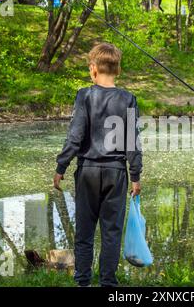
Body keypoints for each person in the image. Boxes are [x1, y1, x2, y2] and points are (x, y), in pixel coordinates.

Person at [53, 42, 143, 287]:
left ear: (93, 69)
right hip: (116, 173)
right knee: (111, 233)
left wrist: (61, 166)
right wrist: (135, 175)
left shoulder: (85, 95)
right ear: (119, 70)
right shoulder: (128, 99)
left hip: (88, 172)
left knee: (84, 233)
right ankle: (108, 284)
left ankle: (83, 282)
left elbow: (75, 135)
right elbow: (132, 142)